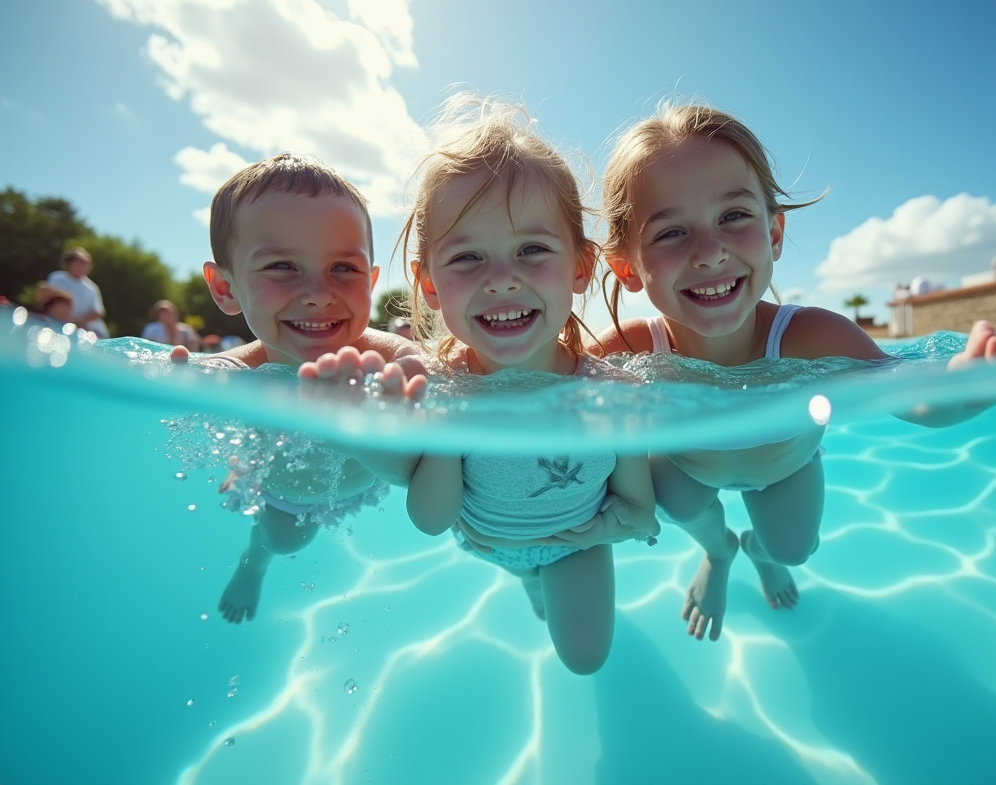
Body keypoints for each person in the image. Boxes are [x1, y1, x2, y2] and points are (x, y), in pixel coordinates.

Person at [593, 102, 996, 641]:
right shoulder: (627, 353)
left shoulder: (813, 338)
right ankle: (720, 551)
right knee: (677, 505)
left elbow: (910, 398)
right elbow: (555, 405)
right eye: (670, 233)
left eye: (733, 217)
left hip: (785, 467)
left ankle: (756, 549)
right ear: (627, 266)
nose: (709, 253)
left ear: (774, 233)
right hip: (690, 470)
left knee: (795, 549)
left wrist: (960, 393)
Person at [332, 95, 659, 675]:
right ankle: (534, 588)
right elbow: (432, 519)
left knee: (585, 658)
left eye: (532, 249)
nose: (502, 279)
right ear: (429, 284)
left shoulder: (613, 397)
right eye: (467, 258)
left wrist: (593, 534)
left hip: (576, 546)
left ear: (581, 267)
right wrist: (441, 425)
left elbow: (638, 509)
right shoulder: (443, 394)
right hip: (491, 544)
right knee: (534, 593)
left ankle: (543, 586)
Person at [174, 151, 427, 624]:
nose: (316, 291)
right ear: (226, 288)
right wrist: (201, 374)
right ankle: (255, 562)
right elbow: (219, 370)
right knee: (286, 540)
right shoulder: (246, 369)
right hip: (293, 494)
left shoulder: (382, 353)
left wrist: (415, 372)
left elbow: (421, 368)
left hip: (367, 474)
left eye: (344, 269)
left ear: (371, 283)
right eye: (282, 266)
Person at [47, 247, 109, 337]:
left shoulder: (92, 287)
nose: (85, 265)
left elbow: (98, 312)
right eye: (81, 262)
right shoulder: (56, 278)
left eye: (87, 263)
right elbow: (50, 301)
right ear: (69, 262)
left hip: (91, 333)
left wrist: (78, 322)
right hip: (59, 327)